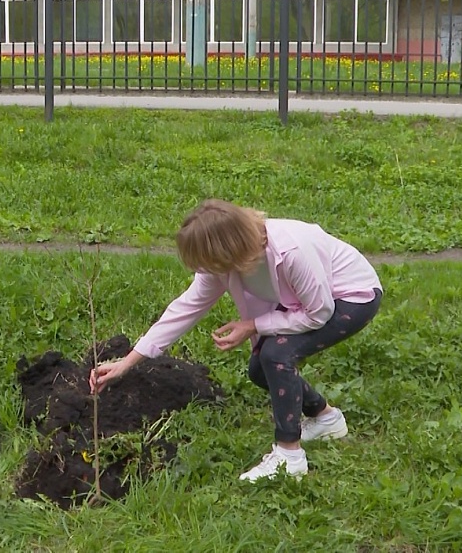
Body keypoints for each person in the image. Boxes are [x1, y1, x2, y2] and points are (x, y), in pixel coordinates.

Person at [90, 199, 383, 481]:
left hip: (351, 298)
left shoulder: (292, 252)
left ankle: (289, 456)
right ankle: (326, 419)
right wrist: (127, 362)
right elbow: (185, 309)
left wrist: (253, 326)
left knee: (276, 356)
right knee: (259, 369)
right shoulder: (224, 263)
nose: (200, 269)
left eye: (205, 261)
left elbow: (318, 313)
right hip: (306, 305)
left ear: (227, 251)